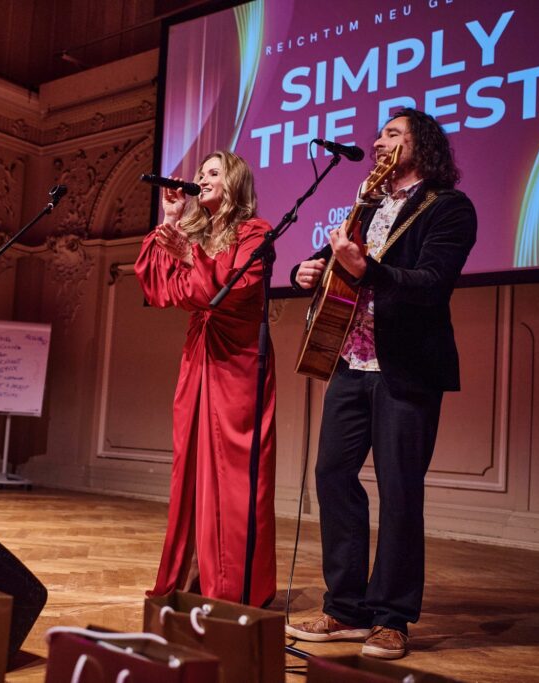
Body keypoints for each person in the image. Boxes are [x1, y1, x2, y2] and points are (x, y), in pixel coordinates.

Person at [285, 109, 477, 658]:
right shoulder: (367, 204)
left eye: (393, 133)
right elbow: (334, 260)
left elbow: (431, 283)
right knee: (332, 474)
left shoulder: (449, 207)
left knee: (399, 489)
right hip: (351, 363)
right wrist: (307, 269)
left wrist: (366, 270)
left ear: (423, 145)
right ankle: (346, 609)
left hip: (407, 369)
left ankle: (392, 617)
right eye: (379, 135)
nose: (378, 142)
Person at [135, 150, 277, 607]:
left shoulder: (255, 232)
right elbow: (162, 289)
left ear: (234, 181)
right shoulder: (196, 233)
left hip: (239, 360)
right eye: (201, 173)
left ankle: (235, 586)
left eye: (213, 172)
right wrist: (171, 219)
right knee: (190, 466)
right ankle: (191, 577)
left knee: (235, 473)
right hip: (199, 355)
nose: (202, 178)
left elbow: (226, 291)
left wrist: (189, 253)